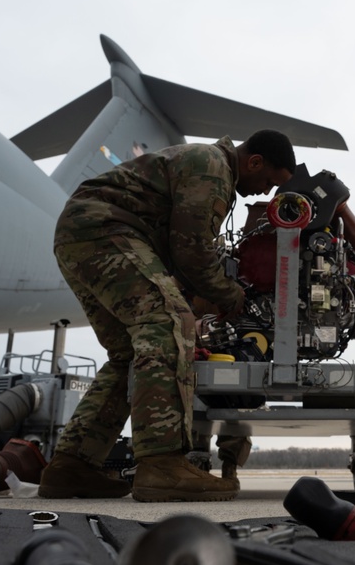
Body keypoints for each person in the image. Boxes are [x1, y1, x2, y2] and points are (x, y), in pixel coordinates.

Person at [38, 130, 296, 502]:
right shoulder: (212, 169)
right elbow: (190, 249)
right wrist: (230, 294)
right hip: (106, 230)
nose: (265, 193)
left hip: (83, 234)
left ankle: (71, 465)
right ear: (254, 162)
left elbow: (179, 253)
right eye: (269, 182)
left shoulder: (206, 166)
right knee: (168, 324)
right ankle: (162, 465)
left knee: (129, 353)